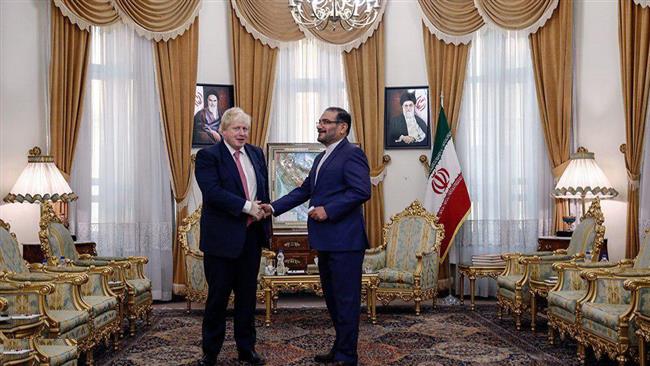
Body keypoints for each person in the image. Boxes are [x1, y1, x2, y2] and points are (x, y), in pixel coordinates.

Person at [261, 107, 371, 366]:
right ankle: (341, 348)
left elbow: (362, 190)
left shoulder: (352, 154)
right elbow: (304, 191)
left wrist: (328, 210)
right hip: (327, 242)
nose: (319, 125)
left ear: (342, 128)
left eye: (325, 121)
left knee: (346, 300)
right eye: (319, 121)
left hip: (345, 243)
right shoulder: (322, 158)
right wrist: (272, 207)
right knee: (333, 300)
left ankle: (348, 355)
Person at [194, 107, 271, 366]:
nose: (242, 133)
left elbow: (263, 189)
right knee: (218, 298)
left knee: (247, 298)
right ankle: (211, 352)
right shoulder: (208, 156)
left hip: (250, 238)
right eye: (237, 128)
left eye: (245, 128)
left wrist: (264, 213)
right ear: (224, 130)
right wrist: (248, 207)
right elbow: (213, 192)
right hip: (221, 240)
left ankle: (246, 348)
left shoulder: (257, 153)